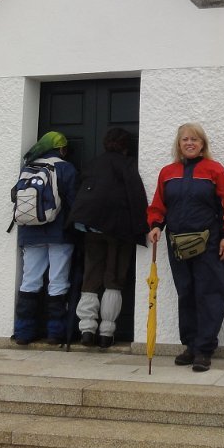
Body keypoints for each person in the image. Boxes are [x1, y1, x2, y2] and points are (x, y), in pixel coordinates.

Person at [147, 123, 224, 372]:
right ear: (179, 144)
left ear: (202, 144)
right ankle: (190, 345)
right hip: (177, 243)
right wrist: (156, 225)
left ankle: (204, 350)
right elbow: (159, 204)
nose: (190, 143)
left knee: (209, 294)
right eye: (185, 139)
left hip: (209, 243)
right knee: (186, 293)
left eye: (195, 139)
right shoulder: (167, 172)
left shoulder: (214, 170)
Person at [67, 127, 147, 348]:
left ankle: (86, 329)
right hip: (119, 230)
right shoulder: (127, 164)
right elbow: (136, 195)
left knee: (91, 277)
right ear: (126, 146)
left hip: (90, 227)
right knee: (113, 279)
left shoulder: (93, 163)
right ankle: (106, 333)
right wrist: (141, 229)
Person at [13, 131, 77, 346]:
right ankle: (55, 333)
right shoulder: (66, 168)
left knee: (30, 280)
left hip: (30, 232)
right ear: (61, 149)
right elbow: (73, 201)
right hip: (60, 232)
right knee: (58, 282)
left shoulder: (27, 168)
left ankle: (23, 332)